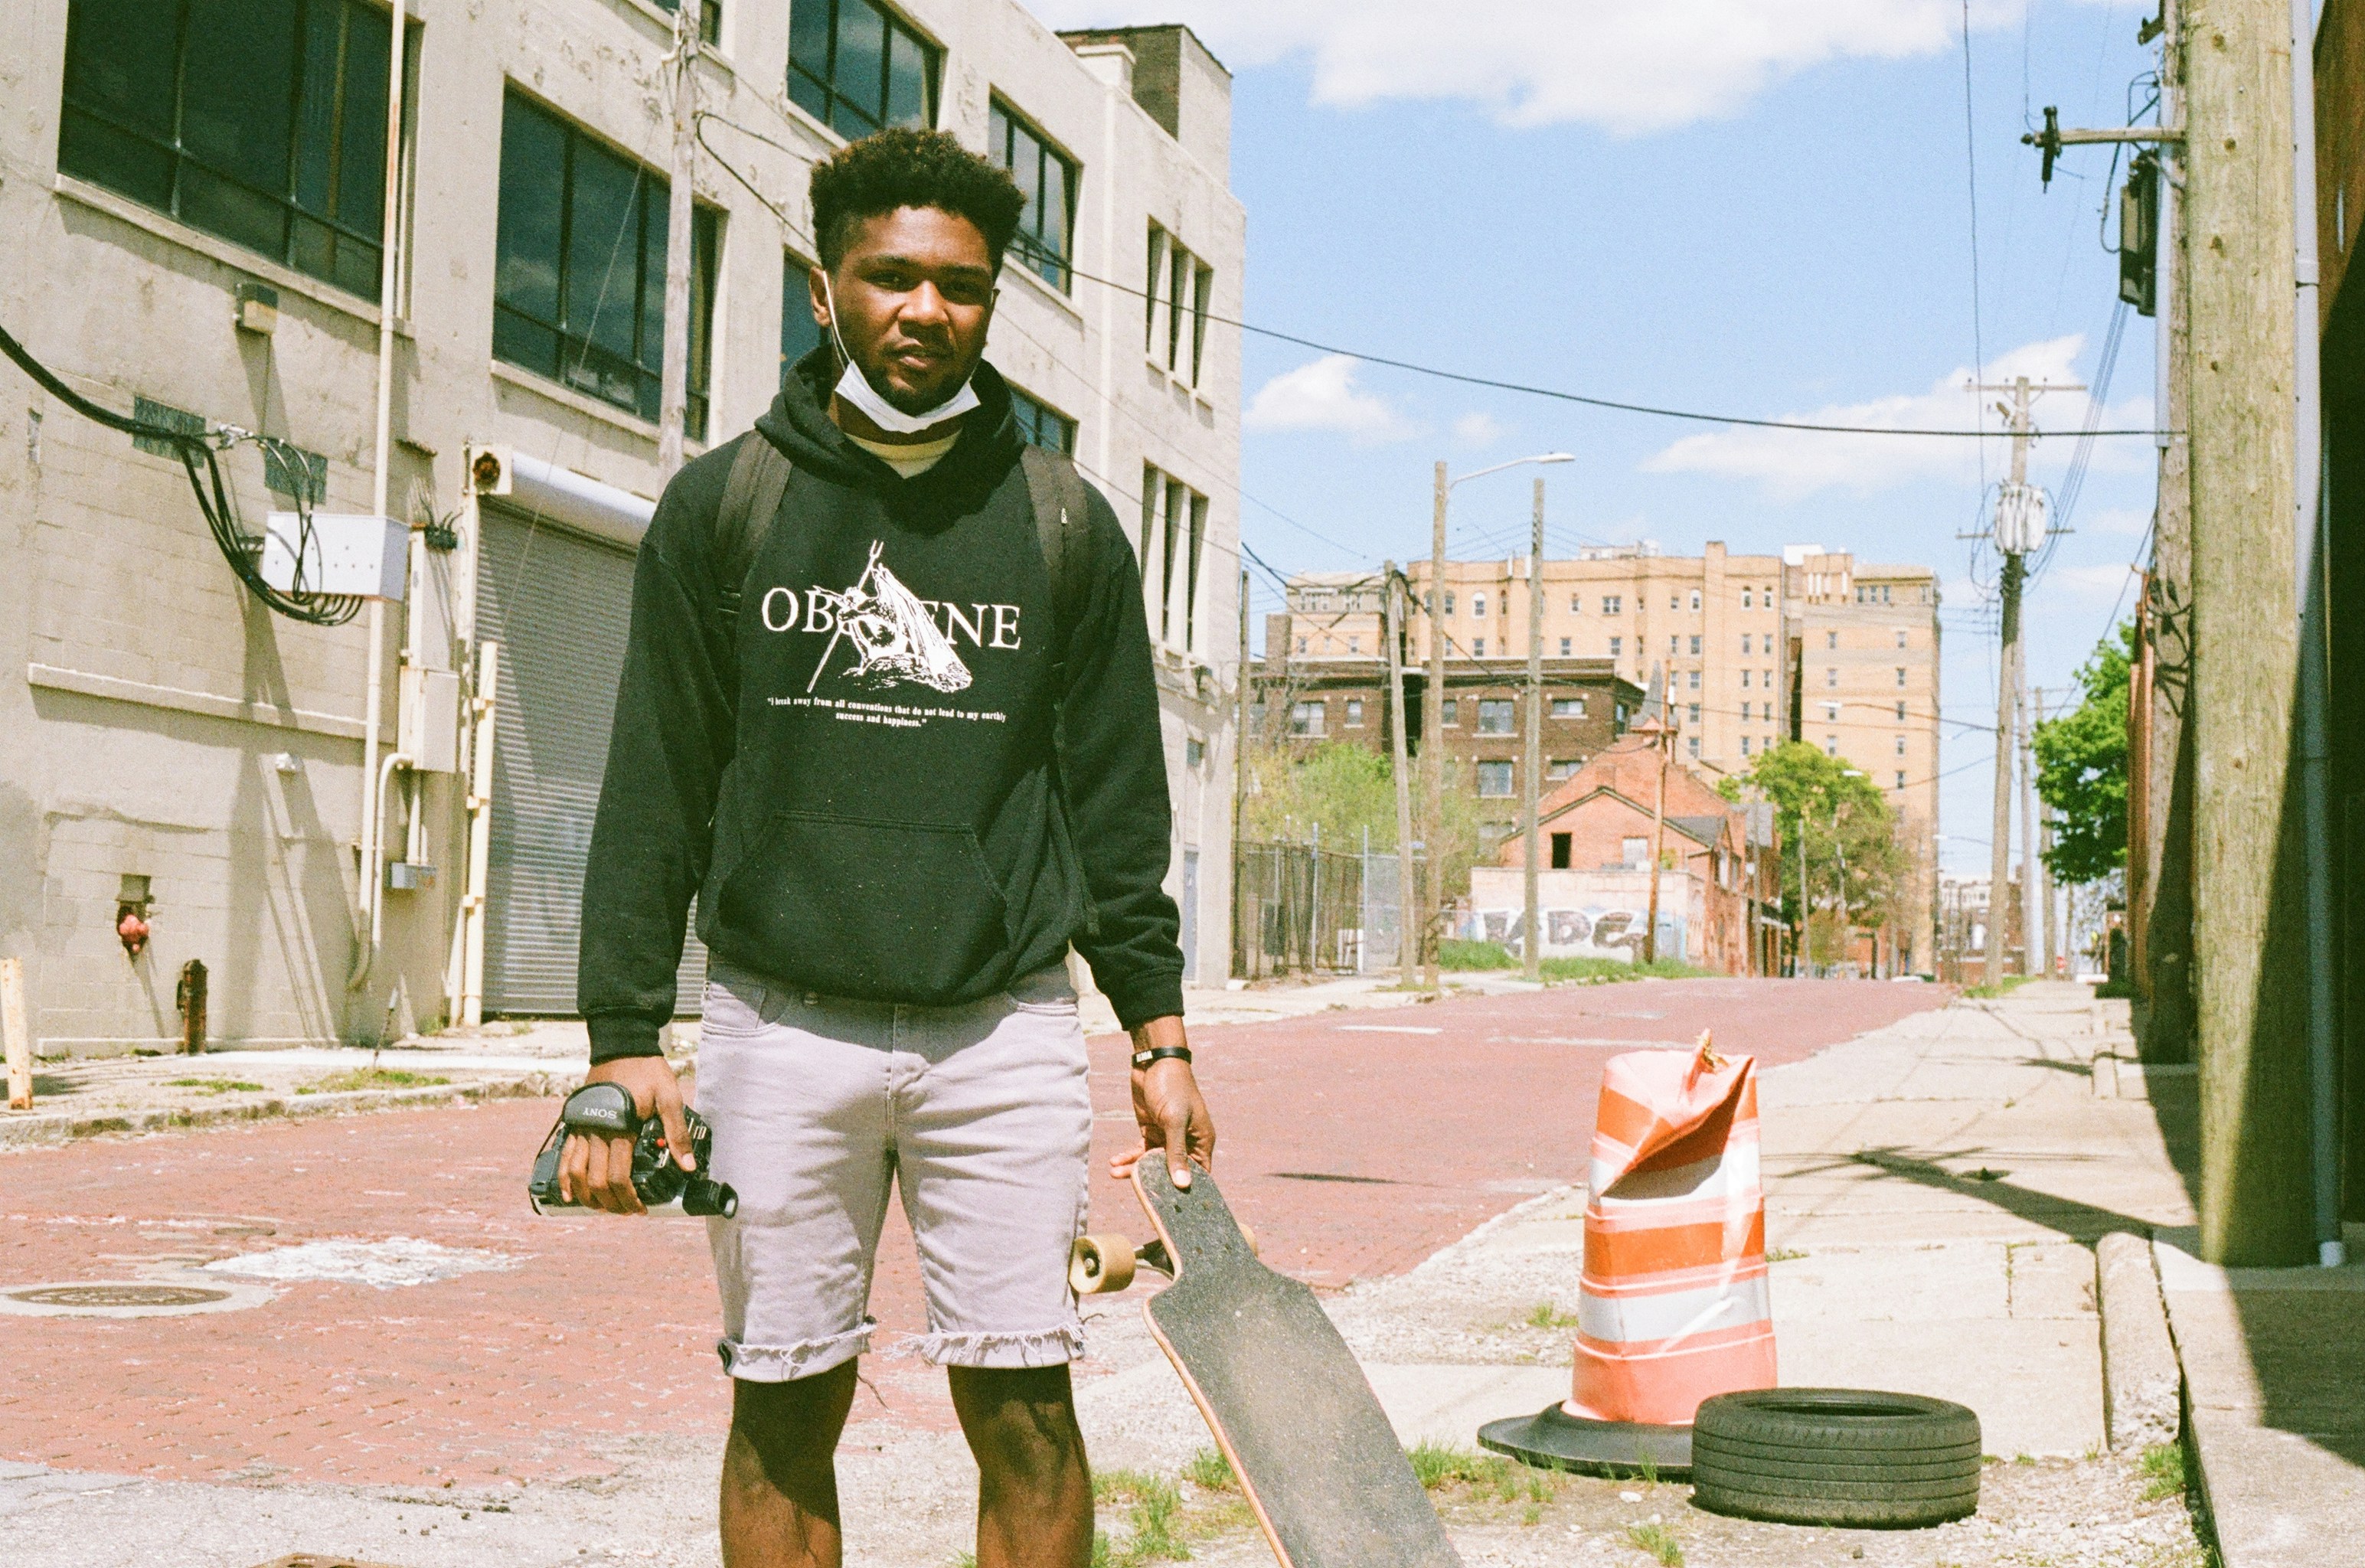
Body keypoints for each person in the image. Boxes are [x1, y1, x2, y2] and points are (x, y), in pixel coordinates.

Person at [557, 128, 1215, 1568]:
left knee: (1027, 1404)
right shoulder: (725, 505)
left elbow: (1116, 804)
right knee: (783, 1404)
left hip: (1004, 1033)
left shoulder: (1061, 525)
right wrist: (622, 1040)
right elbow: (655, 786)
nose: (926, 312)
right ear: (823, 286)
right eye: (891, 278)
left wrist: (1157, 1032)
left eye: (962, 288)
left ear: (994, 306)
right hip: (779, 1026)